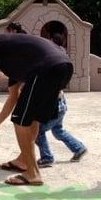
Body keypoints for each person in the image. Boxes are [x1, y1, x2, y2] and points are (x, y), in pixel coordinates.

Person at [0, 32, 73, 186]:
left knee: (20, 121)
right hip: (63, 67)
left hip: (47, 68)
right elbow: (13, 96)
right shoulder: (15, 59)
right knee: (32, 117)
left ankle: (33, 173)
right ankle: (24, 160)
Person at [35, 33, 87, 167]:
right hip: (62, 105)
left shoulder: (51, 61)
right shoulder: (60, 56)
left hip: (56, 106)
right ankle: (79, 148)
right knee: (58, 130)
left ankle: (47, 157)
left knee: (37, 131)